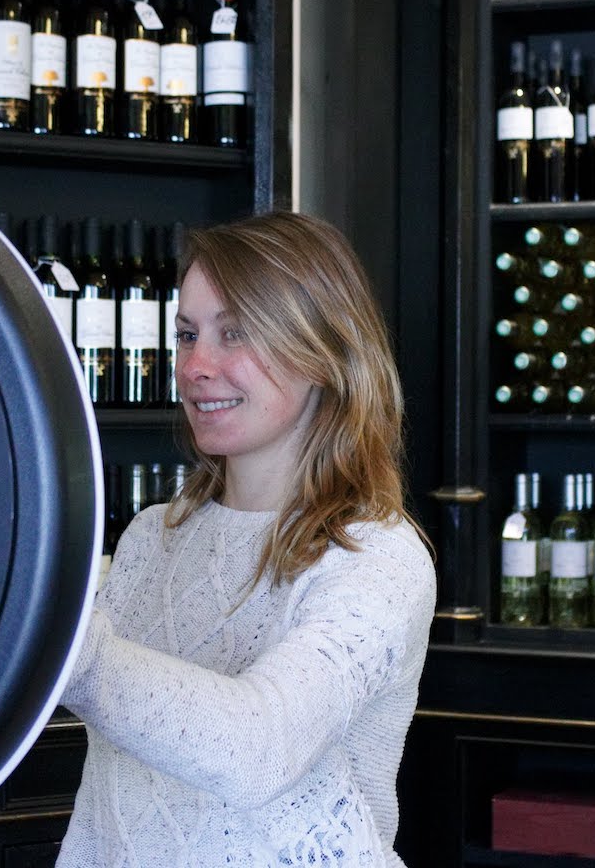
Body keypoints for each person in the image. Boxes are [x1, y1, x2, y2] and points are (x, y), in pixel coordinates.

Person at [57, 210, 437, 866]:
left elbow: (258, 748)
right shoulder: (153, 538)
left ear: (322, 352)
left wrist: (56, 646)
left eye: (235, 333)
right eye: (187, 335)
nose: (197, 366)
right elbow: (111, 800)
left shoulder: (376, 556)